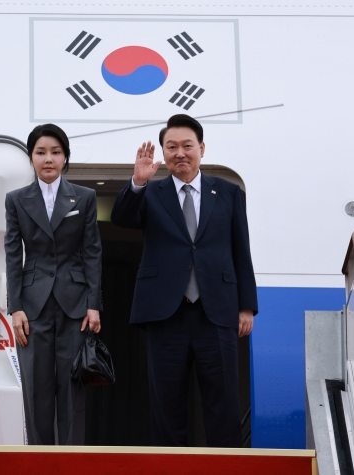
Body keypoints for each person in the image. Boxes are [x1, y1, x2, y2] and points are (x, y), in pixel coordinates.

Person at [111, 114, 258, 448]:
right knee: (167, 405)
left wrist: (246, 306)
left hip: (216, 311)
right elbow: (121, 219)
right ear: (163, 152)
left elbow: (241, 250)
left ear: (201, 149)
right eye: (171, 147)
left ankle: (228, 471)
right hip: (166, 313)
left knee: (222, 403)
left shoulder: (230, 193)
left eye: (187, 146)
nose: (180, 153)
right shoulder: (151, 192)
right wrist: (137, 182)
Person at [4, 123, 102, 445]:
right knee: (36, 388)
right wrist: (15, 307)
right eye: (41, 152)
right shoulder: (16, 200)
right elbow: (12, 252)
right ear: (31, 158)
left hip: (75, 303)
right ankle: (38, 461)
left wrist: (93, 304)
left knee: (72, 388)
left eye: (55, 152)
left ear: (65, 157)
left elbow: (92, 253)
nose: (48, 159)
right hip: (32, 307)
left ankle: (73, 462)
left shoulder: (84, 198)